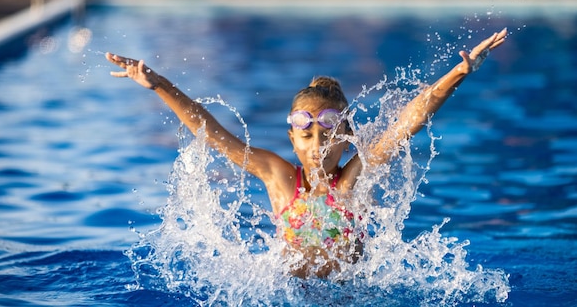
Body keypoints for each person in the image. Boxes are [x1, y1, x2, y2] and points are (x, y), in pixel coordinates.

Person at [106, 28, 508, 278]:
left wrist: (458, 72)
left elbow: (408, 121)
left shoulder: (354, 177)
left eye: (328, 136)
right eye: (307, 136)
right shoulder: (278, 176)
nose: (317, 147)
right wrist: (159, 84)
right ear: (292, 138)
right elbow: (210, 132)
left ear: (347, 136)